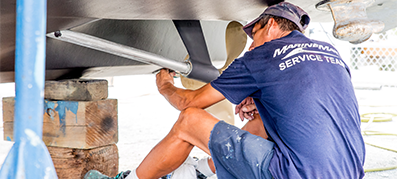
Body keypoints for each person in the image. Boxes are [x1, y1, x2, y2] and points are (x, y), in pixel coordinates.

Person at [84, 2, 365, 179]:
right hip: (349, 171)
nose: (251, 45)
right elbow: (308, 102)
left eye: (253, 36)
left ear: (269, 25)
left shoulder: (263, 55)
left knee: (190, 121)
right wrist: (261, 101)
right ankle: (203, 171)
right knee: (258, 125)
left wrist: (166, 86)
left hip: (294, 173)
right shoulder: (330, 54)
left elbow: (188, 102)